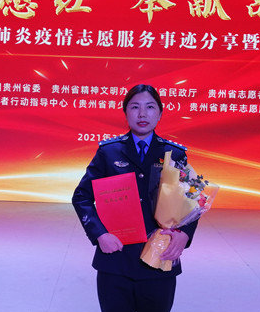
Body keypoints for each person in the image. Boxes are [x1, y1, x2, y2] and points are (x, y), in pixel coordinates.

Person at [72, 84, 197, 312]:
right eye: (135, 107)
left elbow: (193, 198)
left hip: (159, 257)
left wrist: (184, 234)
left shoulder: (174, 154)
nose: (142, 114)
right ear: (125, 112)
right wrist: (100, 234)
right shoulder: (109, 152)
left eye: (149, 107)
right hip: (115, 259)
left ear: (160, 113)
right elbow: (81, 196)